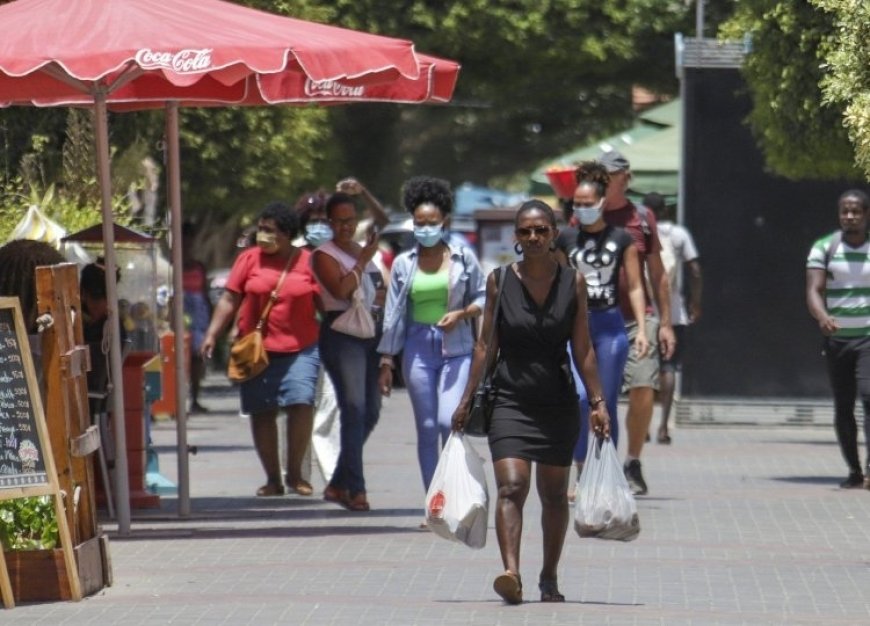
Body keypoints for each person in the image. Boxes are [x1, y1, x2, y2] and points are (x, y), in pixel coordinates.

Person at [452, 199, 610, 605]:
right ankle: (511, 573)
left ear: (554, 233)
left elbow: (584, 348)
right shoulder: (500, 281)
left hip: (557, 401)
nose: (534, 237)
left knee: (555, 496)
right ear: (516, 237)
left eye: (541, 230)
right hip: (510, 400)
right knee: (512, 486)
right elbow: (485, 345)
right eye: (526, 231)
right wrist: (467, 399)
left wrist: (598, 402)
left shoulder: (573, 281)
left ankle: (549, 576)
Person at [200, 201, 321, 497]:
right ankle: (273, 479)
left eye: (270, 230)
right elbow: (230, 300)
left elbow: (324, 304)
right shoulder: (248, 260)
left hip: (301, 347)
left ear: (288, 234)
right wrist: (212, 334)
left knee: (301, 402)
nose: (263, 235)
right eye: (261, 229)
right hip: (256, 348)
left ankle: (295, 474)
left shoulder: (308, 261)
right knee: (262, 411)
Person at [377, 176, 486, 496]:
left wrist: (462, 314)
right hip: (418, 349)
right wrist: (386, 361)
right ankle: (434, 499)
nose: (425, 228)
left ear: (445, 221)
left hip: (457, 348)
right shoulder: (402, 263)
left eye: (432, 223)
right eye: (419, 223)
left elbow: (483, 297)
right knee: (426, 428)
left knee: (447, 421)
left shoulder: (463, 256)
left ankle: (456, 488)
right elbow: (394, 314)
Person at [554, 161, 649, 494]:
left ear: (602, 202)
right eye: (576, 204)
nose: (582, 209)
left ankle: (605, 471)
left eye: (587, 203)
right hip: (576, 326)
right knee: (580, 398)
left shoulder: (622, 239)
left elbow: (636, 286)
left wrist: (642, 329)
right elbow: (555, 284)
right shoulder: (565, 238)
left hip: (610, 325)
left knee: (605, 403)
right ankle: (581, 471)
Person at [598, 149, 675, 496]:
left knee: (644, 386)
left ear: (625, 178)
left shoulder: (642, 218)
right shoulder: (584, 213)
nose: (605, 180)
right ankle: (599, 463)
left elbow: (657, 274)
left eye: (612, 174)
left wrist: (667, 323)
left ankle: (633, 460)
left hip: (637, 321)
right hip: (596, 319)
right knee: (602, 397)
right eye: (601, 174)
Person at [312, 192, 386, 511]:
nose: (346, 227)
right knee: (353, 408)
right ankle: (356, 489)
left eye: (351, 220)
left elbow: (378, 289)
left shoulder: (362, 250)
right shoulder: (323, 255)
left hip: (371, 332)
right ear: (330, 223)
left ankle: (338, 482)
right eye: (340, 221)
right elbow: (341, 290)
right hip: (342, 335)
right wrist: (363, 261)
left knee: (370, 412)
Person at [806, 189, 870, 489]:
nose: (850, 216)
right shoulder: (824, 247)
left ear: (866, 214)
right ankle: (854, 470)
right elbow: (813, 290)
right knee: (843, 406)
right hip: (837, 339)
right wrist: (823, 317)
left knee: (869, 399)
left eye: (856, 211)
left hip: (868, 338)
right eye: (845, 210)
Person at [643, 192, 702, 445]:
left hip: (644, 311)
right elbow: (695, 270)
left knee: (644, 371)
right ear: (665, 210)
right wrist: (695, 302)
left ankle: (642, 425)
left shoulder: (639, 232)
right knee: (669, 368)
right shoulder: (679, 235)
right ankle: (664, 427)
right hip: (674, 313)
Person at [294, 190, 340, 485]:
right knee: (298, 405)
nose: (319, 225)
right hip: (296, 342)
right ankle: (296, 473)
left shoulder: (340, 253)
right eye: (314, 220)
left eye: (325, 220)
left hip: (334, 338)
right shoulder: (293, 254)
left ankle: (333, 474)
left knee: (329, 404)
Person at [181, 222, 212, 413]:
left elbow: (205, 293)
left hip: (199, 316)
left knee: (197, 358)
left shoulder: (199, 266)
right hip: (180, 313)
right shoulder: (172, 266)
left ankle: (195, 398)